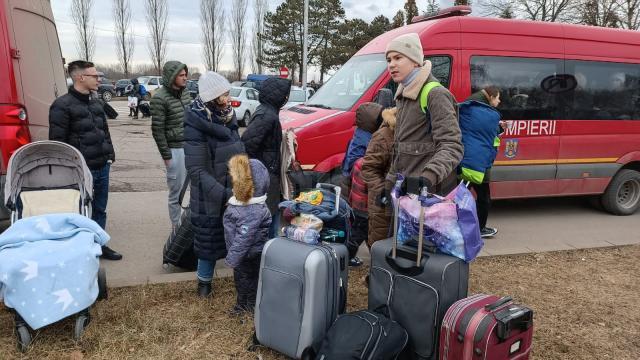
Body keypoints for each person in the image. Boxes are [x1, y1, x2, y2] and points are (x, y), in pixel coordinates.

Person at [49, 60, 122, 260]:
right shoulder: (61, 106)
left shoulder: (96, 103)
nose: (98, 79)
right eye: (94, 75)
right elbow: (58, 143)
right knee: (80, 211)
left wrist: (110, 155)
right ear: (81, 77)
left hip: (102, 166)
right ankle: (80, 251)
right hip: (80, 171)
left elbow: (104, 132)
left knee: (100, 209)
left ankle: (99, 245)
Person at [184, 71, 245, 297]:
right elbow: (197, 170)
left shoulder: (228, 116)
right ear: (211, 98)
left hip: (233, 191)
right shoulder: (195, 123)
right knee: (208, 242)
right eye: (224, 95)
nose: (228, 99)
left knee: (237, 237)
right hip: (209, 196)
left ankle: (241, 280)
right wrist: (224, 194)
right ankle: (204, 284)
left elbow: (239, 151)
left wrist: (243, 185)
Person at [384, 33, 463, 198]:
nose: (391, 65)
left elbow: (452, 145)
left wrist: (427, 177)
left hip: (430, 196)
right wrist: (389, 185)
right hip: (405, 194)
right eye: (389, 60)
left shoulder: (435, 93)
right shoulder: (403, 96)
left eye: (398, 58)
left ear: (415, 61)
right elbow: (401, 148)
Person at [241, 77, 292, 237]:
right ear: (276, 96)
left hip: (268, 174)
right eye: (285, 95)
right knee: (268, 220)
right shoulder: (266, 115)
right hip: (265, 176)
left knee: (272, 215)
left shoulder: (268, 112)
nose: (286, 98)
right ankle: (266, 254)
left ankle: (269, 251)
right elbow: (247, 144)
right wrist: (261, 169)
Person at [224, 155, 271, 314]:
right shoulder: (245, 205)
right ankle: (243, 304)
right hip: (244, 255)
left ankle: (248, 308)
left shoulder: (252, 210)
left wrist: (233, 258)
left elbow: (244, 238)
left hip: (248, 255)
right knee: (244, 282)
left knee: (248, 282)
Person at [340, 102, 384, 266]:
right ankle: (344, 258)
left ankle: (355, 256)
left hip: (350, 185)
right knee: (360, 229)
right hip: (359, 191)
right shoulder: (369, 141)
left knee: (361, 228)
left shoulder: (359, 134)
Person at [151, 61, 191, 229]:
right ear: (172, 77)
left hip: (191, 148)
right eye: (181, 75)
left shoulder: (186, 93)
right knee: (176, 192)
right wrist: (167, 157)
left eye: (185, 74)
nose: (185, 78)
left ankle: (190, 227)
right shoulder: (159, 98)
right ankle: (177, 229)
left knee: (195, 190)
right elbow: (157, 130)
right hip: (175, 151)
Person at [461, 86, 505, 238]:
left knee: (463, 194)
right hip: (477, 161)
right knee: (483, 197)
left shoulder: (473, 105)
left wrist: (498, 128)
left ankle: (469, 226)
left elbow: (479, 131)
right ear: (491, 97)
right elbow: (483, 135)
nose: (499, 102)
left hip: (471, 159)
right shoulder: (481, 109)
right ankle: (480, 228)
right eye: (498, 98)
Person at [361, 107, 397, 247]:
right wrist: (383, 191)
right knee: (379, 243)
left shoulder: (413, 133)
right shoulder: (384, 135)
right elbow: (369, 168)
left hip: (403, 202)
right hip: (383, 202)